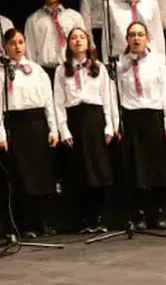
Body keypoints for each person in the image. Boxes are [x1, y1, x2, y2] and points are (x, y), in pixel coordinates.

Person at [0, 29, 58, 238]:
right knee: (21, 176)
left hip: (37, 123)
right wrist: (0, 134)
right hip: (15, 124)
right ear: (5, 47)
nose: (17, 47)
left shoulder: (36, 70)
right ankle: (25, 224)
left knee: (42, 175)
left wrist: (53, 128)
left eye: (20, 42)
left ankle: (44, 221)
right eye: (12, 43)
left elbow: (48, 101)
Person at [115, 22, 166, 230]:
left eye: (140, 34)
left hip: (154, 114)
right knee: (136, 168)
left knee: (157, 166)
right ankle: (139, 213)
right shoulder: (120, 64)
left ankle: (159, 212)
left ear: (147, 38)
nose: (136, 38)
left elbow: (165, 91)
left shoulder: (157, 61)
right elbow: (116, 94)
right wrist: (117, 122)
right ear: (127, 39)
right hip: (131, 116)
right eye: (132, 35)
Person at [52, 27, 114, 234]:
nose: (78, 41)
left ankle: (99, 217)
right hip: (74, 120)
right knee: (79, 170)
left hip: (95, 119)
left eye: (82, 37)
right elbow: (58, 102)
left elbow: (107, 97)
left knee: (98, 169)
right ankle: (84, 219)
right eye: (73, 38)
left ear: (88, 43)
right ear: (68, 43)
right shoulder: (62, 70)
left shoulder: (99, 67)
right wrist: (63, 129)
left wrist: (110, 125)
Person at [23, 0, 83, 79]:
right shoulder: (32, 20)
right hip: (43, 73)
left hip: (70, 69)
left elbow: (82, 46)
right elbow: (29, 52)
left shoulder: (74, 17)